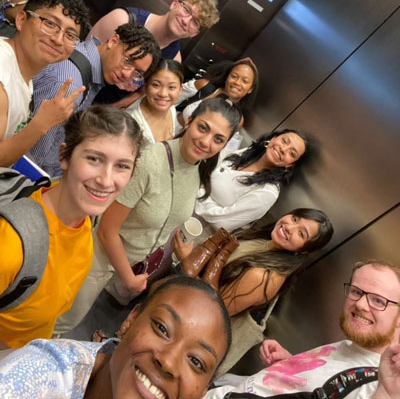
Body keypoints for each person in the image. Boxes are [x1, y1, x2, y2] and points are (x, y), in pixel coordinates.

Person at [54, 96, 242, 334]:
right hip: (97, 258)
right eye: (202, 128)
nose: (206, 142)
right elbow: (106, 231)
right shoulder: (150, 161)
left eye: (218, 139)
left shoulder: (196, 170)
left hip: (126, 263)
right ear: (189, 120)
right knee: (61, 322)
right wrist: (128, 278)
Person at [0, 105, 143, 349]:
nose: (106, 180)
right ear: (64, 156)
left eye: (122, 165)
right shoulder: (12, 244)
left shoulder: (86, 217)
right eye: (94, 159)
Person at [0, 277, 232, 399]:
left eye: (197, 362)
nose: (169, 362)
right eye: (162, 328)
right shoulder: (37, 375)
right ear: (130, 320)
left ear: (202, 392)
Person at [206, 259, 400, 399]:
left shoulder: (381, 382)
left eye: (378, 301)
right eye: (356, 292)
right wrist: (292, 363)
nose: (360, 305)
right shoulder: (354, 345)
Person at [29, 22, 161, 176]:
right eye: (127, 60)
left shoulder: (85, 62)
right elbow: (33, 158)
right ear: (113, 41)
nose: (127, 74)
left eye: (137, 72)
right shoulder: (72, 85)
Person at [175, 208, 333, 315]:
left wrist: (188, 261)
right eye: (294, 218)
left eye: (301, 233)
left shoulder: (264, 276)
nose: (289, 227)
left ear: (304, 250)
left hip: (184, 312)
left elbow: (213, 311)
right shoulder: (261, 237)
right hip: (179, 293)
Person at [0, 0, 89, 167]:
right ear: (22, 19)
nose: (58, 39)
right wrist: (43, 123)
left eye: (70, 35)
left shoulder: (22, 75)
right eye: (49, 23)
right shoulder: (2, 74)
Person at [89, 0, 220, 106]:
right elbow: (82, 56)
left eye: (195, 22)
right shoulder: (122, 19)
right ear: (174, 4)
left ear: (195, 33)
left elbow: (141, 94)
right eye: (187, 10)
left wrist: (100, 111)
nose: (186, 21)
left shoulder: (172, 60)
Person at [189, 129, 308, 235]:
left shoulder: (267, 192)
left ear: (290, 165)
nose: (283, 149)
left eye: (292, 153)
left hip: (197, 228)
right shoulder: (250, 152)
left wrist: (200, 191)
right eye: (284, 141)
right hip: (186, 201)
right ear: (274, 138)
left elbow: (222, 223)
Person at [177, 57, 259, 124]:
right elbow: (169, 98)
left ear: (250, 89)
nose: (237, 82)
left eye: (245, 81)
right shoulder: (204, 86)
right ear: (227, 77)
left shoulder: (238, 120)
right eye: (234, 76)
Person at [126, 58, 184, 143]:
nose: (163, 94)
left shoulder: (170, 107)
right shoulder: (131, 122)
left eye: (171, 87)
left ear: (180, 89)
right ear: (145, 86)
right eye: (156, 85)